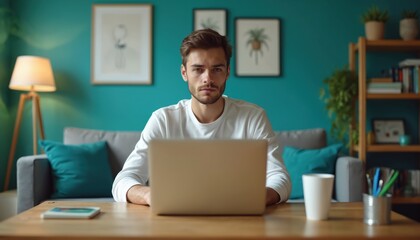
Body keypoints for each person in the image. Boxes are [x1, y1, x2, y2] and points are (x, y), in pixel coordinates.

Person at [112, 28, 291, 206]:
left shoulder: (253, 117)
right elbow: (123, 181)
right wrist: (151, 196)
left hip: (238, 220)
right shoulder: (164, 120)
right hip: (174, 223)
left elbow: (280, 178)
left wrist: (252, 198)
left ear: (227, 72)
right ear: (184, 73)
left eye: (217, 69)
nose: (208, 78)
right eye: (198, 69)